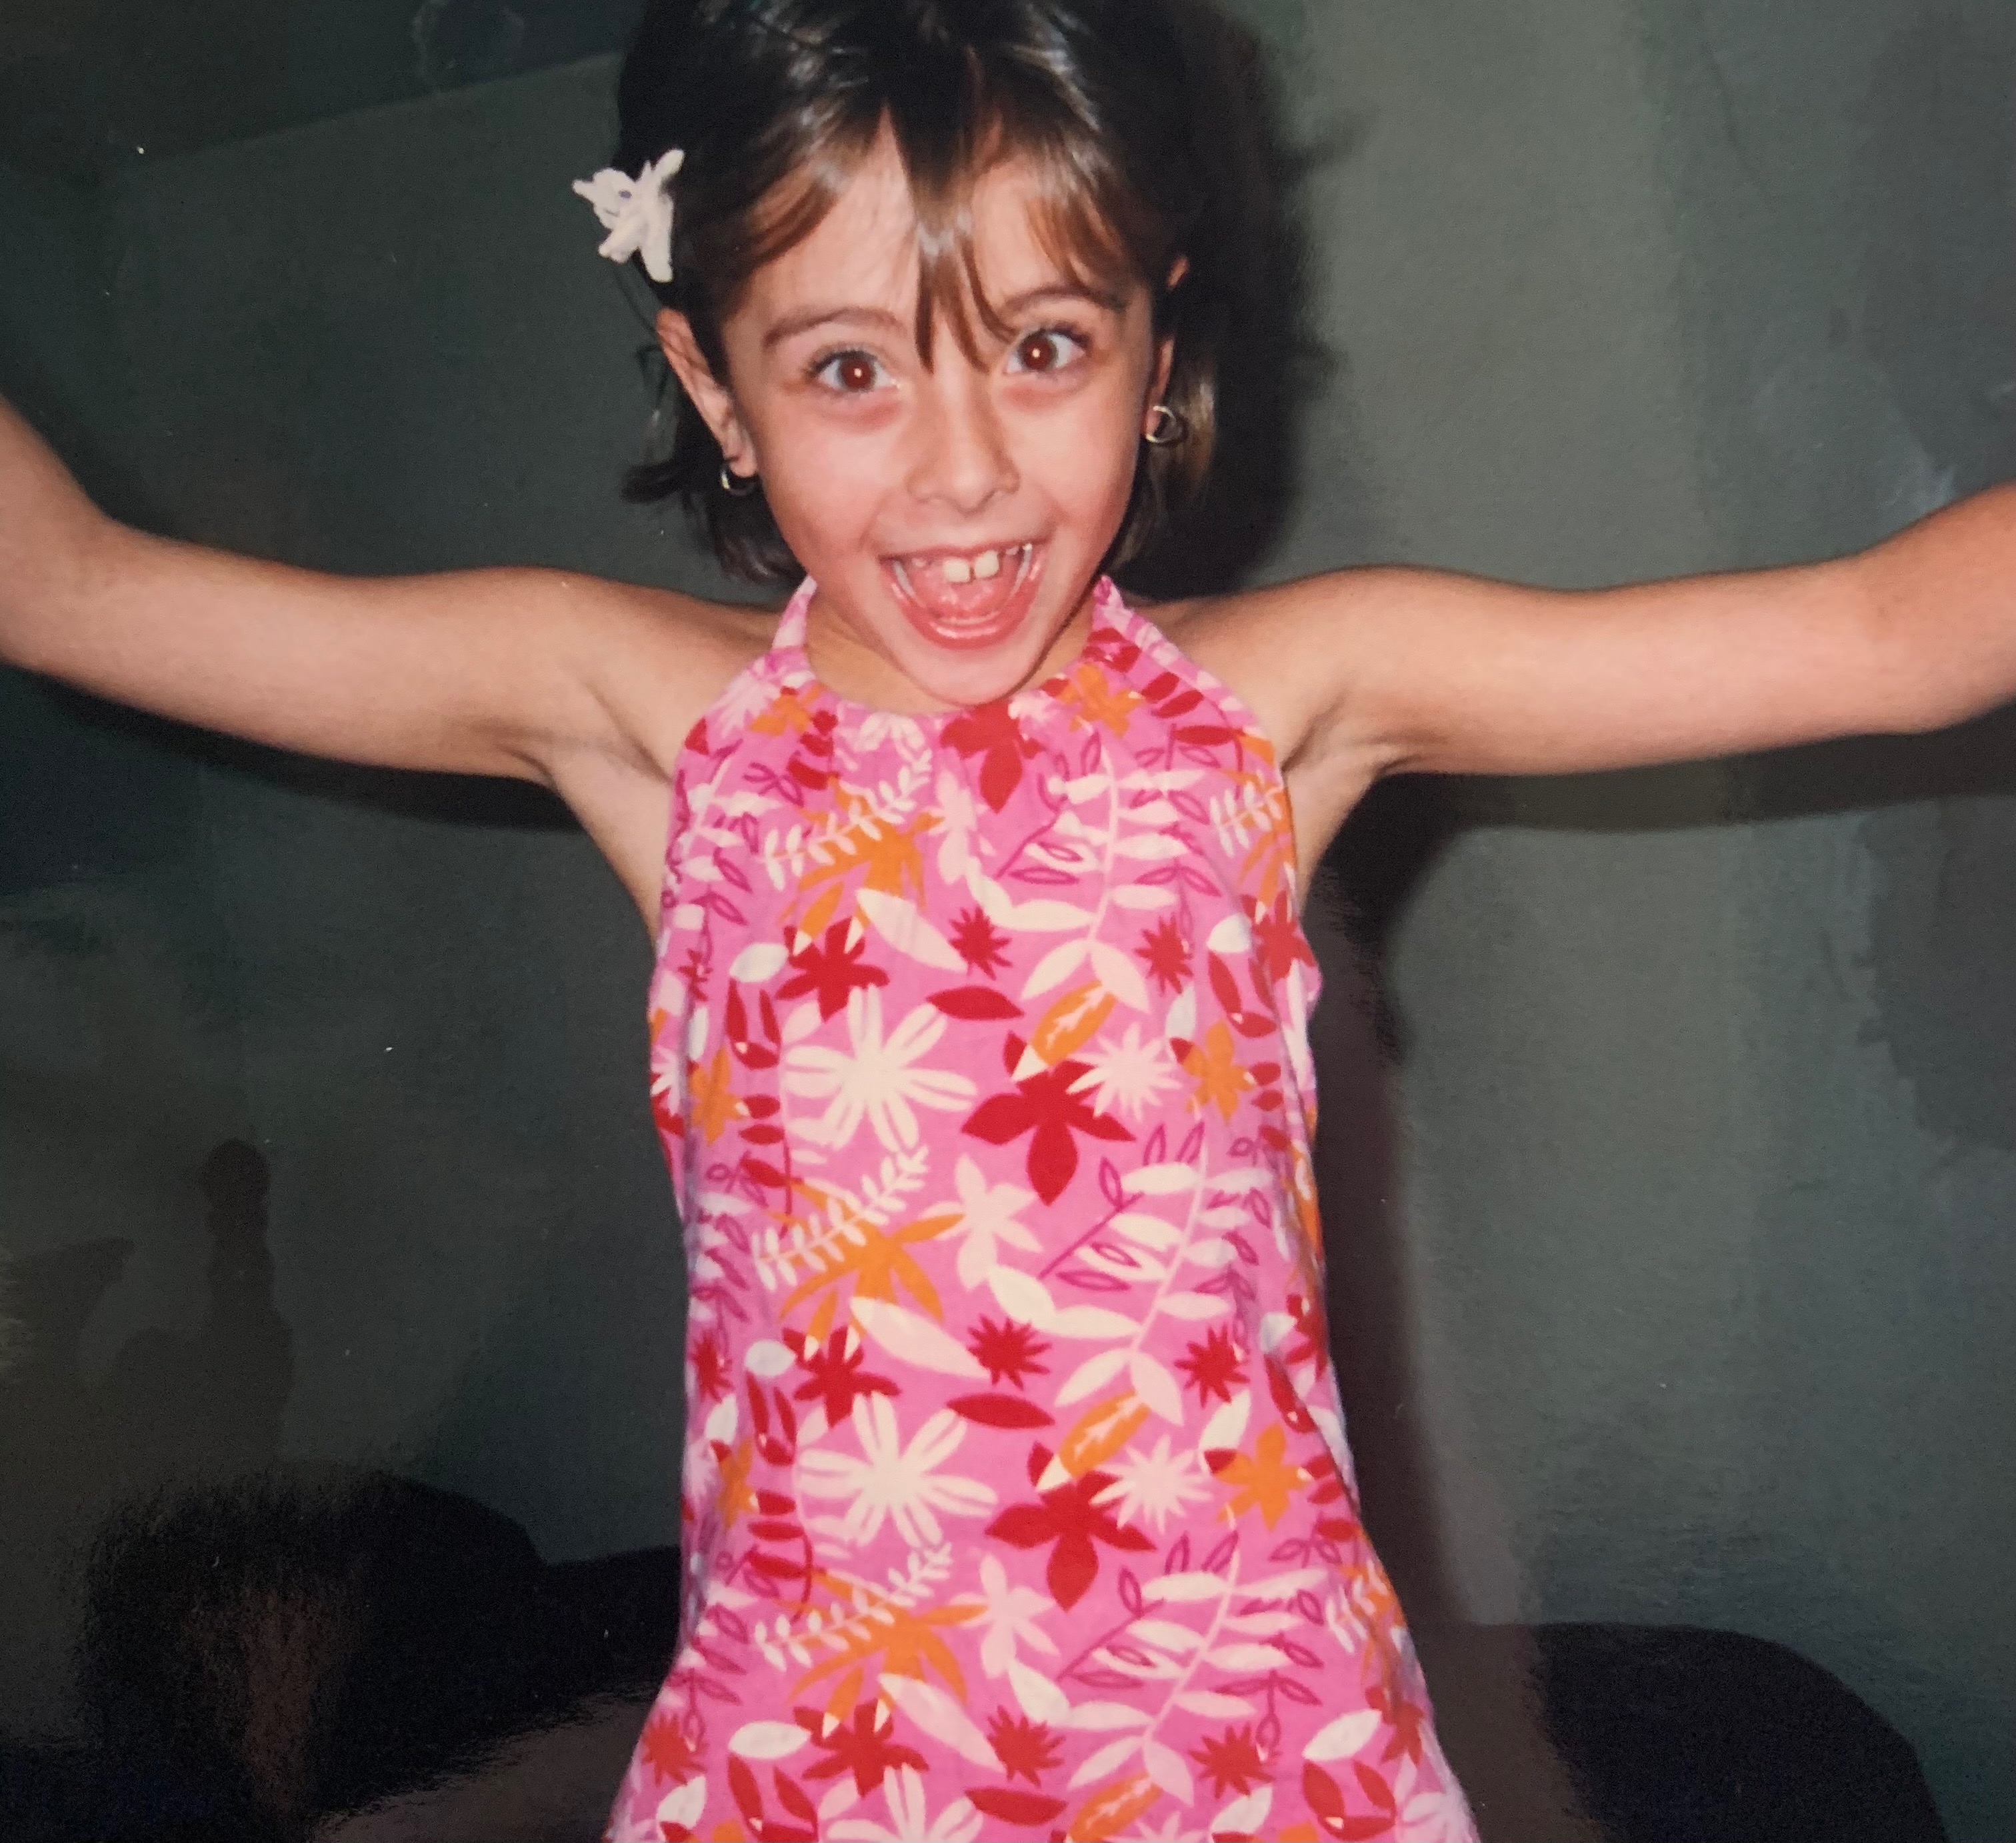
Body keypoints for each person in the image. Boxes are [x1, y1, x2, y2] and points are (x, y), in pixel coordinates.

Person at [1, 2, 2010, 1838]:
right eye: (848, 369)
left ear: (1156, 343)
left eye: (1045, 347)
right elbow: (71, 586)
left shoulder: (1281, 705)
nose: (961, 475)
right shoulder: (653, 722)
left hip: (1253, 1767)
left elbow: (1888, 636)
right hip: (818, 1777)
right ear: (713, 381)